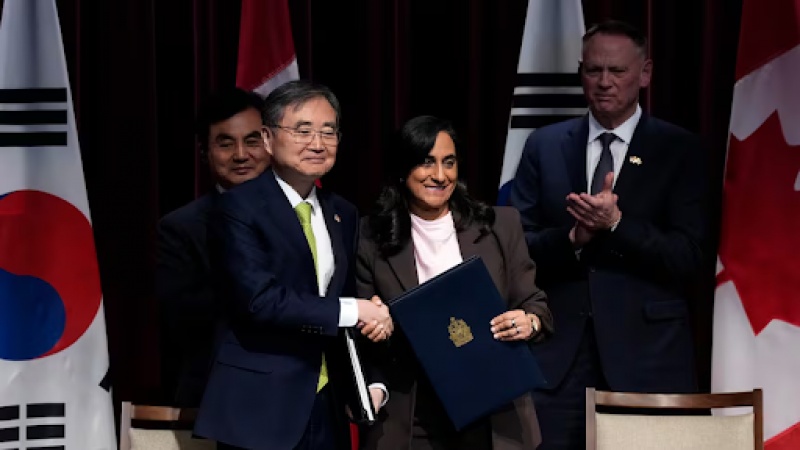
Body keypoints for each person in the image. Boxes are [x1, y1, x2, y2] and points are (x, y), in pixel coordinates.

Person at [509, 20, 708, 449]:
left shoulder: (679, 149)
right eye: (593, 70)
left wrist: (617, 226)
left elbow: (689, 255)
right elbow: (514, 246)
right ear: (580, 72)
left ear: (645, 73)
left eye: (617, 71)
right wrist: (572, 241)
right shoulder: (544, 145)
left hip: (648, 358)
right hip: (558, 361)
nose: (603, 82)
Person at [193, 79, 393, 450]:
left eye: (328, 132)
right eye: (303, 131)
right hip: (261, 406)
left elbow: (348, 297)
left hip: (328, 403)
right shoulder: (237, 208)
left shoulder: (344, 212)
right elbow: (259, 301)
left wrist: (371, 379)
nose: (317, 143)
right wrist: (355, 310)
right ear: (268, 139)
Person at [356, 115, 553, 450]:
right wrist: (376, 327)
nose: (440, 175)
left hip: (492, 411)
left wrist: (529, 322)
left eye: (449, 162)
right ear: (403, 169)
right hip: (414, 415)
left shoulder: (499, 225)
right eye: (426, 162)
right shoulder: (370, 237)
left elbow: (536, 306)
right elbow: (364, 340)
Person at [156, 87, 269, 407]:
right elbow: (183, 323)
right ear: (205, 151)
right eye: (225, 143)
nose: (241, 155)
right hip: (218, 398)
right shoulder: (180, 228)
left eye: (252, 141)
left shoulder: (303, 214)